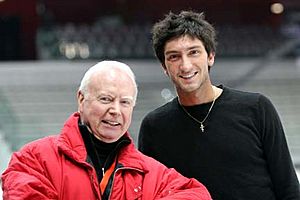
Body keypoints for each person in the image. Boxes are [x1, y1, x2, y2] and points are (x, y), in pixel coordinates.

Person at [138, 10, 300, 200]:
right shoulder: (154, 127)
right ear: (164, 67)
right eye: (174, 57)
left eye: (193, 52)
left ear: (210, 56)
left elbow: (289, 189)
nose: (186, 65)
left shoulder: (256, 108)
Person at [1, 61, 212, 200]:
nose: (115, 111)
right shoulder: (34, 159)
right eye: (106, 99)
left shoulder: (149, 172)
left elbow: (197, 195)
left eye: (125, 102)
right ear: (81, 99)